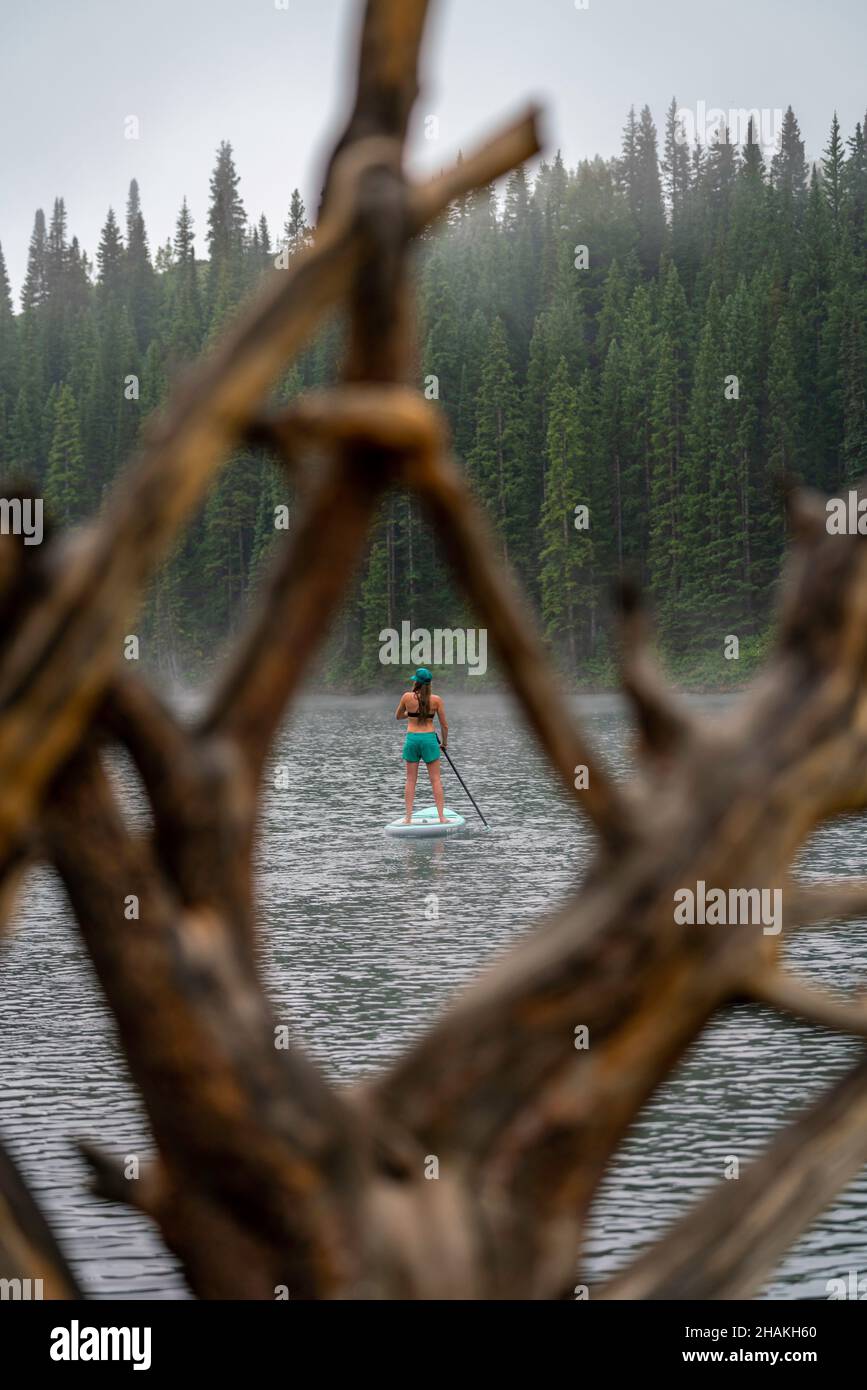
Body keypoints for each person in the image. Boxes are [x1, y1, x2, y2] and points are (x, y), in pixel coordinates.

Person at [395, 667, 449, 824]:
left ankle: (408, 818)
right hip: (429, 740)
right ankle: (441, 817)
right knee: (436, 780)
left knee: (410, 780)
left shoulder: (406, 697)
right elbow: (445, 726)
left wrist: (411, 714)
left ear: (416, 682)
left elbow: (398, 716)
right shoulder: (436, 700)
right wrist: (444, 744)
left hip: (412, 739)